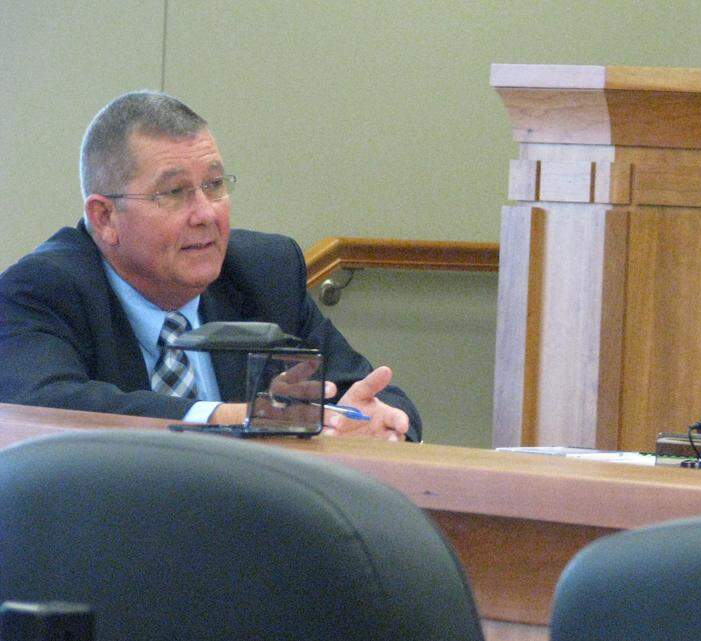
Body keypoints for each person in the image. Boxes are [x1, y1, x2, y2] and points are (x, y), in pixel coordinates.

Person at [0, 91, 420, 441]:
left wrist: (378, 422)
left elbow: (368, 392)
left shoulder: (263, 272)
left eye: (214, 185)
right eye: (174, 192)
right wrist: (232, 419)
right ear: (105, 217)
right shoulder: (41, 289)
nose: (205, 214)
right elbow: (45, 406)